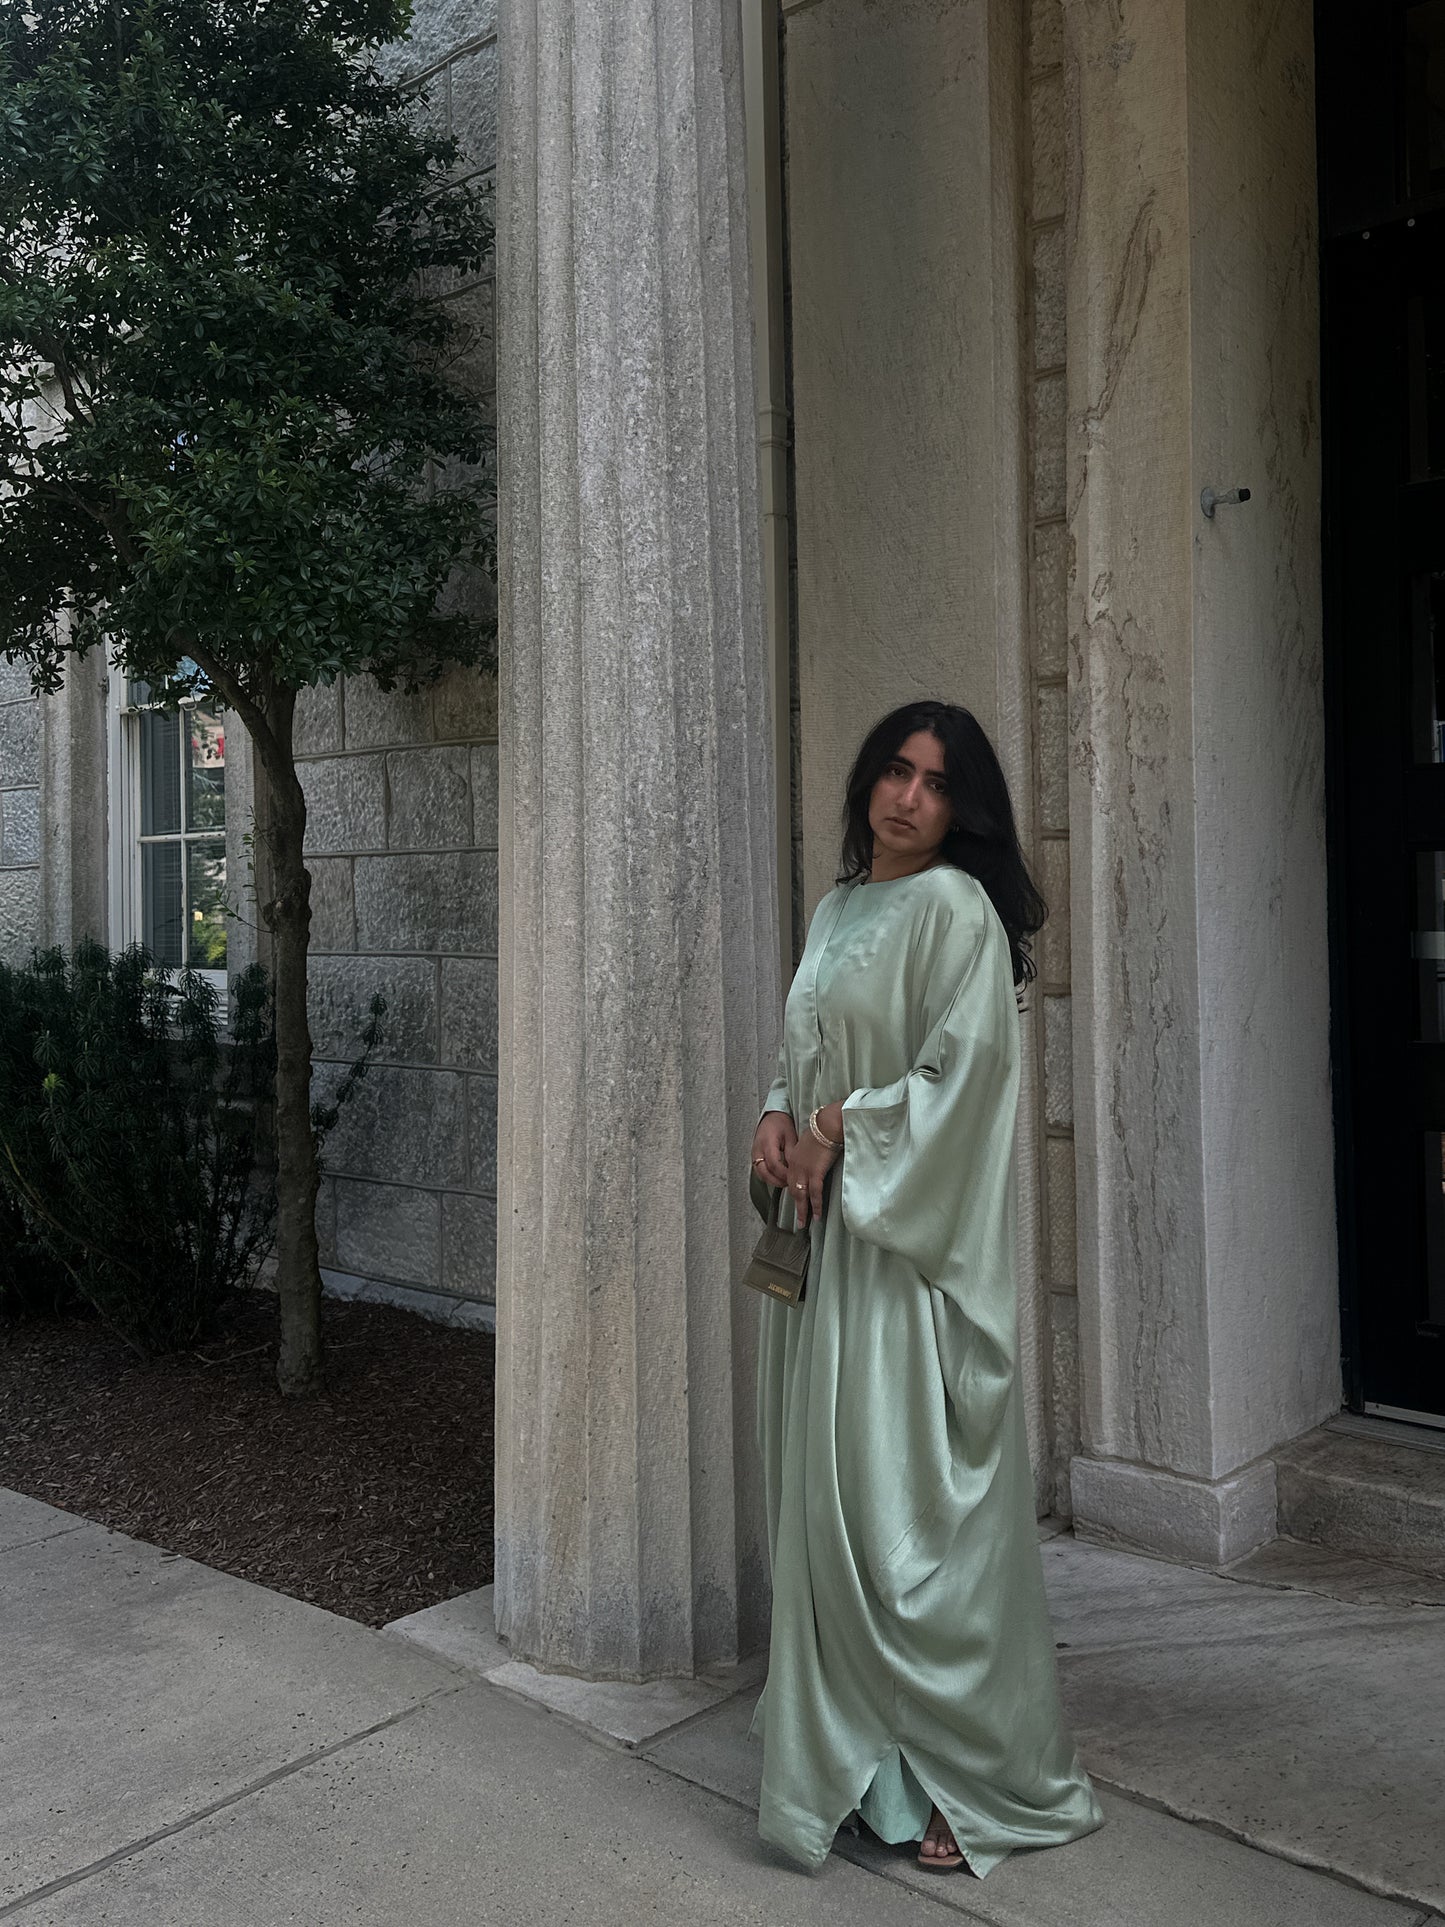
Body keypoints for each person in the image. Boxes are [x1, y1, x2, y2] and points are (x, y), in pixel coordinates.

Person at [747, 698, 1104, 1877]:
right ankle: (870, 1769)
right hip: (830, 1256)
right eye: (894, 771)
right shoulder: (839, 905)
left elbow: (962, 1075)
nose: (907, 797)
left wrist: (845, 1123)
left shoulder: (953, 907)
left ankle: (994, 1783)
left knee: (905, 1533)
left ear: (965, 811)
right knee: (828, 1521)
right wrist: (772, 1115)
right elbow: (808, 1038)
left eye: (936, 784)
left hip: (902, 1271)